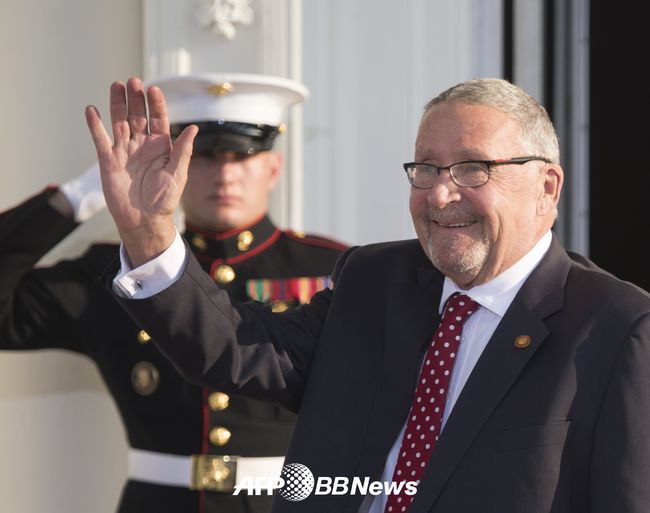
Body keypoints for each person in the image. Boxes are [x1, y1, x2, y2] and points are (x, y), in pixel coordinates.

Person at [88, 76, 650, 513]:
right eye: (426, 168)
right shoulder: (375, 280)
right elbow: (237, 348)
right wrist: (149, 232)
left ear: (547, 187)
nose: (440, 194)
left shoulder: (615, 327)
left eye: (472, 169)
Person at [0, 73, 347, 513]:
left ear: (274, 169)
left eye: (242, 157)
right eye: (202, 156)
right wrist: (78, 197)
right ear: (170, 165)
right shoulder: (115, 269)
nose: (224, 175)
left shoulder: (331, 269)